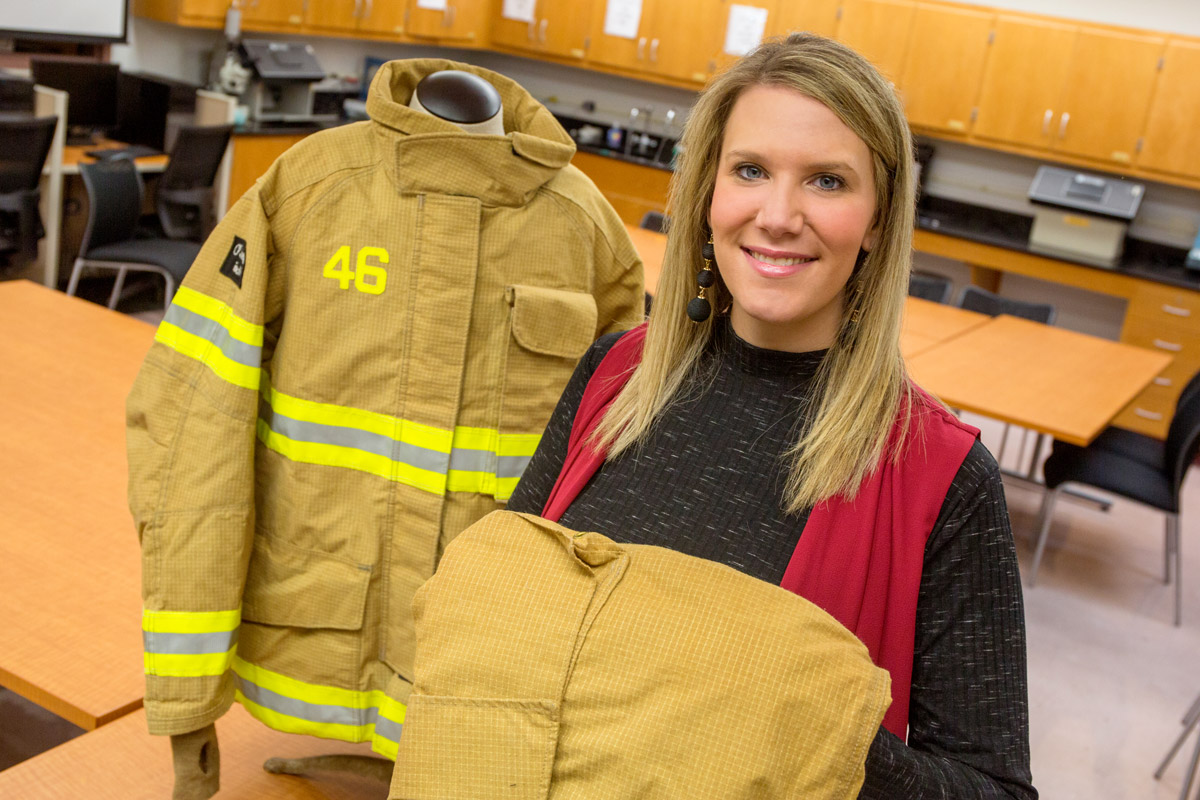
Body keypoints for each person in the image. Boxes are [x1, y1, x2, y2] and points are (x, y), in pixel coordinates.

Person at [507, 33, 1036, 799]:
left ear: (880, 221)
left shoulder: (940, 479)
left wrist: (801, 721)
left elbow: (993, 791)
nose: (778, 216)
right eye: (750, 171)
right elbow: (511, 595)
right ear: (708, 195)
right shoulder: (614, 372)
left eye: (826, 181)